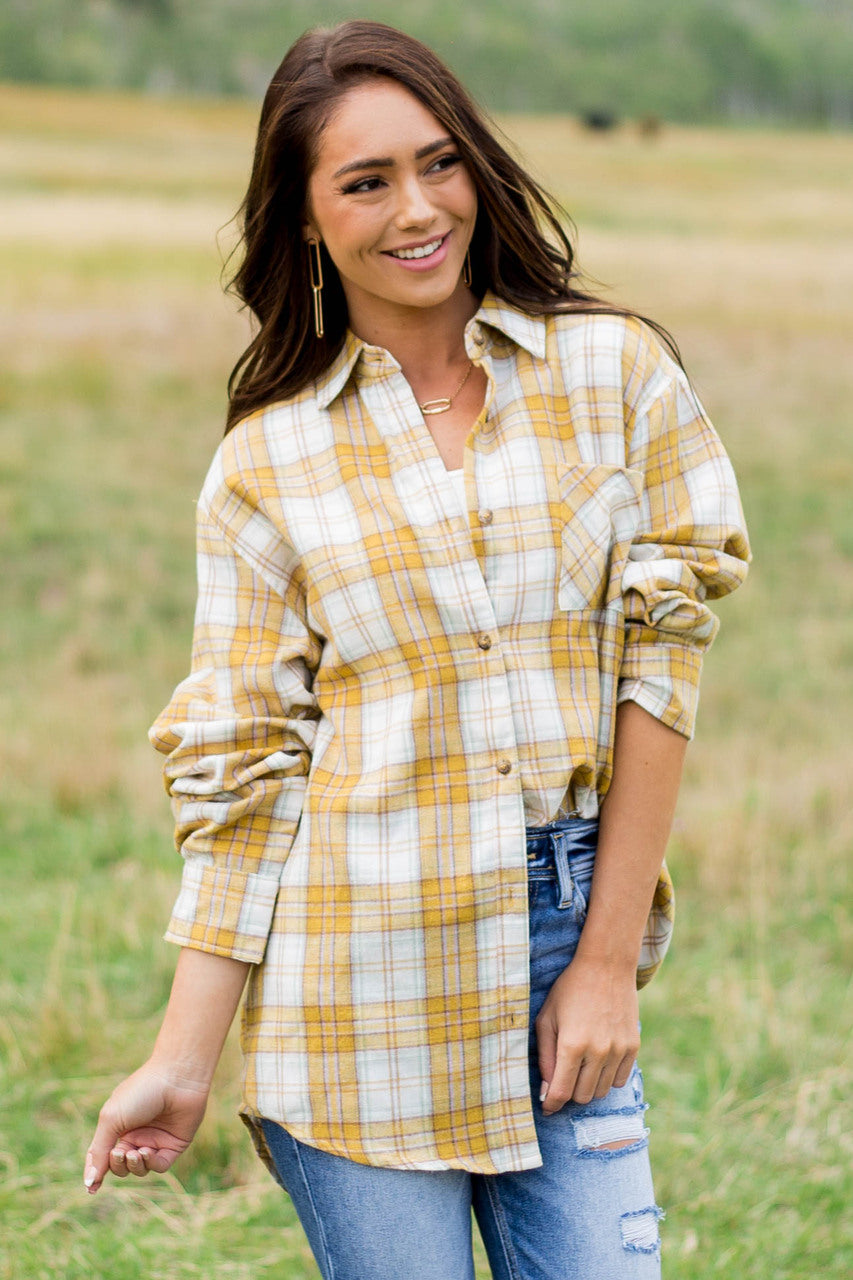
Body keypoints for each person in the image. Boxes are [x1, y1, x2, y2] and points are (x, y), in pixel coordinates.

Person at [84, 20, 750, 1279]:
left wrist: (605, 960)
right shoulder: (263, 465)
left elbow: (660, 660)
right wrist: (180, 1059)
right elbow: (241, 774)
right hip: (350, 986)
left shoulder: (615, 373)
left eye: (439, 163)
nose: (418, 208)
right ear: (303, 221)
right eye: (366, 181)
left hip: (560, 933)